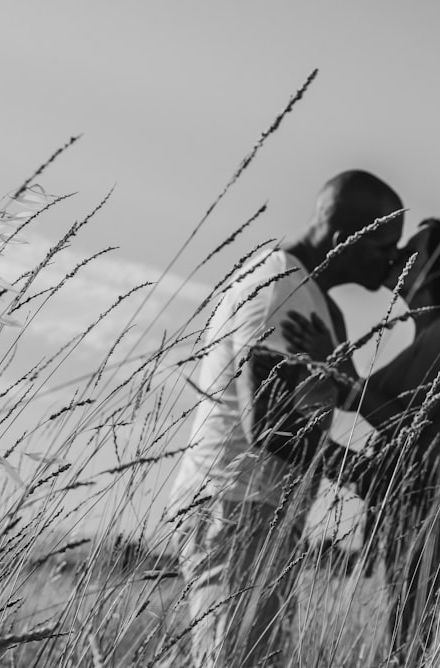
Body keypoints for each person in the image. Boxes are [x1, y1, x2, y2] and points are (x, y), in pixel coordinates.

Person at [166, 170, 403, 668]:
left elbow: (336, 394)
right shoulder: (283, 287)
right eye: (384, 246)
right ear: (346, 240)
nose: (390, 263)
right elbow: (269, 421)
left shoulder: (314, 297)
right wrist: (368, 477)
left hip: (260, 509)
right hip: (236, 504)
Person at [280, 218, 440, 668]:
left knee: (431, 652)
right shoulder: (433, 331)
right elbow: (366, 399)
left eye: (411, 250)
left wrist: (337, 376)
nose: (398, 254)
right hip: (422, 513)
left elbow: (411, 426)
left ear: (437, 266)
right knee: (420, 652)